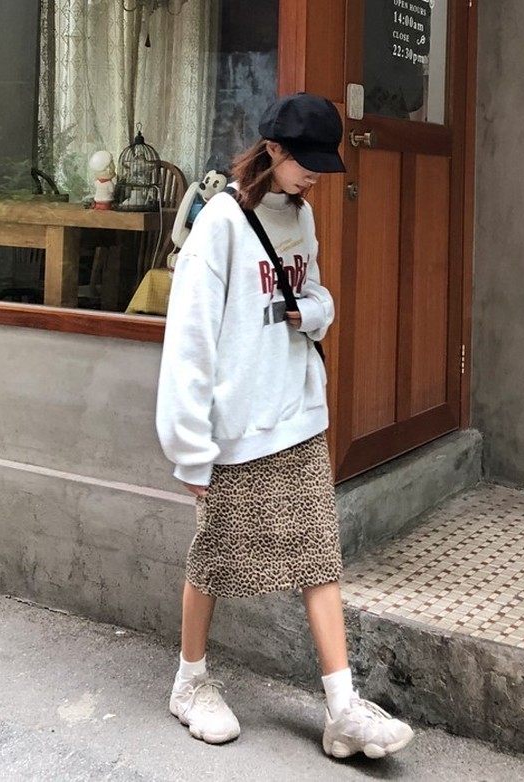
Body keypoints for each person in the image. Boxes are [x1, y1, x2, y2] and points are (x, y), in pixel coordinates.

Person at [155, 92, 414, 759]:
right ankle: (189, 683)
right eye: (307, 162)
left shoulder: (300, 216)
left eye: (324, 164)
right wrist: (190, 449)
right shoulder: (220, 223)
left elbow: (316, 294)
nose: (316, 176)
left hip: (297, 414)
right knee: (215, 558)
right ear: (272, 150)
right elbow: (189, 343)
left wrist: (313, 312)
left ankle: (342, 708)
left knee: (318, 556)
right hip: (236, 427)